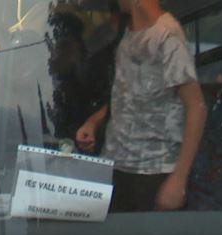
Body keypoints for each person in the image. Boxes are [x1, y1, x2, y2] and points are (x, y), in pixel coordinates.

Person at [75, 0, 207, 212]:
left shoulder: (168, 37)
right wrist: (94, 122)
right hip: (116, 169)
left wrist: (179, 179)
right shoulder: (127, 34)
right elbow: (127, 96)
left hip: (154, 173)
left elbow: (197, 107)